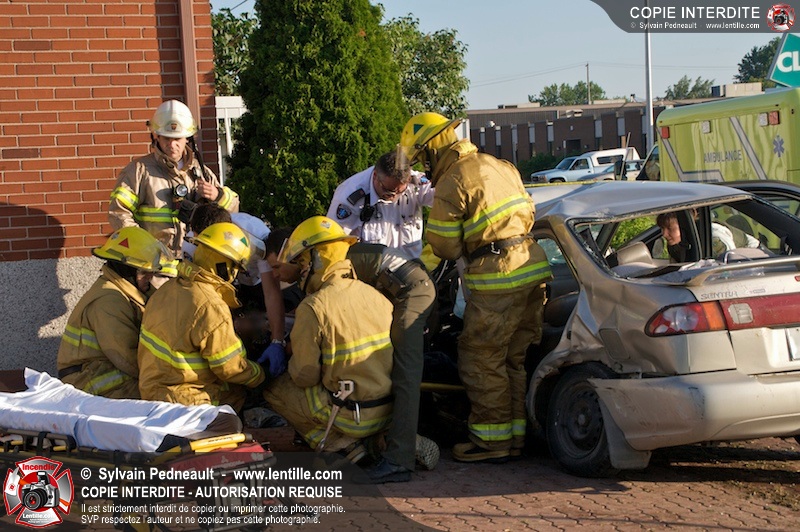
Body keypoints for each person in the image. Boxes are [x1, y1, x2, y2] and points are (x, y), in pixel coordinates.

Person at [398, 112, 553, 463]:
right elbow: (529, 212)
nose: (424, 169)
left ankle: (491, 440)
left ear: (433, 149)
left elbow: (444, 245)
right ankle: (515, 437)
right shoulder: (500, 165)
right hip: (533, 267)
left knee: (480, 358)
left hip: (499, 278)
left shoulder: (453, 179)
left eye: (423, 159)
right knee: (512, 359)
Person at [265, 236, 438, 482]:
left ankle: (397, 458)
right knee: (388, 364)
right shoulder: (352, 277)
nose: (277, 274)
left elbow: (307, 373)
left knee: (406, 373)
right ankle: (384, 438)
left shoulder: (332, 269)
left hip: (411, 290)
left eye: (281, 266)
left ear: (313, 258)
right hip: (407, 284)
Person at [262, 216, 394, 461]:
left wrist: (290, 361)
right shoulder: (375, 295)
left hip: (352, 416)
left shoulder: (313, 307)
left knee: (275, 388)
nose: (300, 268)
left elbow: (305, 376)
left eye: (301, 260)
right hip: (387, 410)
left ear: (315, 259)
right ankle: (379, 438)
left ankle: (339, 445)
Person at [138, 222, 265, 412]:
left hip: (152, 390)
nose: (236, 275)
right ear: (225, 266)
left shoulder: (170, 288)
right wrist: (260, 375)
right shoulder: (211, 306)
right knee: (238, 398)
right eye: (236, 267)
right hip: (185, 400)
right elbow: (230, 368)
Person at [108, 100, 239, 277]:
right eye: (166, 138)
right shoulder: (139, 171)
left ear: (187, 138)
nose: (172, 145)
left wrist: (218, 195)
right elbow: (118, 212)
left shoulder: (200, 172)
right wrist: (144, 248)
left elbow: (233, 212)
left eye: (177, 139)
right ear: (156, 137)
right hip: (155, 270)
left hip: (195, 268)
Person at [57, 227, 170, 399]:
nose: (150, 277)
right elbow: (127, 358)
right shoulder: (109, 301)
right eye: (144, 272)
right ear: (126, 270)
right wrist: (167, 377)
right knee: (163, 398)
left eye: (152, 272)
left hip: (104, 371)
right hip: (91, 381)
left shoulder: (128, 292)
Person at [183, 204, 287, 361]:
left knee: (258, 324)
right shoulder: (192, 243)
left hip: (257, 282)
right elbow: (199, 291)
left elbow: (271, 293)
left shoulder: (257, 236)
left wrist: (277, 341)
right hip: (222, 283)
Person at [327, 151, 434, 258]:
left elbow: (442, 198)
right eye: (388, 191)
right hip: (371, 267)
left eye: (400, 191)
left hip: (411, 264)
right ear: (375, 176)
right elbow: (333, 245)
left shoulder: (415, 183)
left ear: (408, 179)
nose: (394, 196)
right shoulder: (349, 197)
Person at [655, 210, 760, 262]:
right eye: (662, 228)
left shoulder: (715, 236)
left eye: (670, 229)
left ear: (684, 225)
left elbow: (730, 265)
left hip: (754, 258)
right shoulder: (676, 243)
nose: (664, 234)